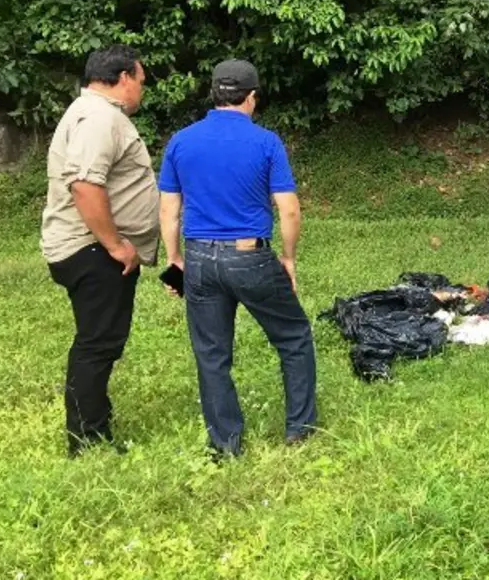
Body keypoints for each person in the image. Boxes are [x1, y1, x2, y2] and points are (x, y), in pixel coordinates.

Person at [158, 59, 317, 458]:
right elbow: (290, 210)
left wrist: (175, 259)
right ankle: (299, 429)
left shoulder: (180, 141)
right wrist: (289, 258)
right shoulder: (266, 142)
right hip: (250, 256)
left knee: (212, 355)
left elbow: (167, 211)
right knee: (294, 338)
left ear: (213, 94)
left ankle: (226, 445)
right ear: (251, 97)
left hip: (198, 258)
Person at [41, 44, 159, 457]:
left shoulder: (92, 113)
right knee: (96, 343)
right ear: (123, 77)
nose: (142, 90)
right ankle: (87, 439)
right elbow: (85, 186)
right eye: (140, 81)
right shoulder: (98, 118)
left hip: (90, 248)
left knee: (100, 340)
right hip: (92, 250)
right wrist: (116, 245)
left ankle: (94, 424)